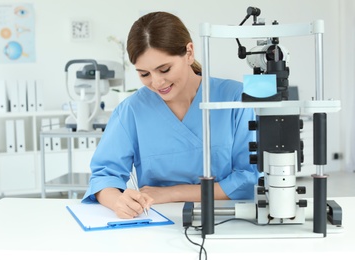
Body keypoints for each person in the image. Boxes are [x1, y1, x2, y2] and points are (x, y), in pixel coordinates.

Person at [82, 11, 260, 219]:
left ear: (189, 52)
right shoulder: (132, 111)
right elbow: (104, 177)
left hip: (229, 219)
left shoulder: (235, 99)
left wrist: (171, 193)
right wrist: (118, 201)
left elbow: (248, 177)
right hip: (158, 221)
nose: (157, 83)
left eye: (164, 69)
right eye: (144, 74)